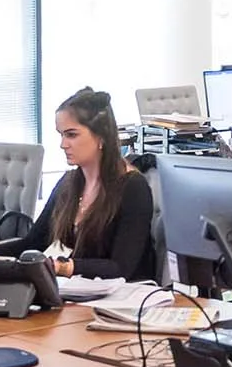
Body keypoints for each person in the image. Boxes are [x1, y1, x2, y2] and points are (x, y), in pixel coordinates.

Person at [14, 88, 154, 281]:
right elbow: (30, 244)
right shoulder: (69, 183)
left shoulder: (133, 187)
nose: (63, 144)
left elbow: (121, 268)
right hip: (78, 293)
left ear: (101, 137)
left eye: (71, 135)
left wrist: (61, 267)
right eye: (61, 135)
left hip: (122, 299)